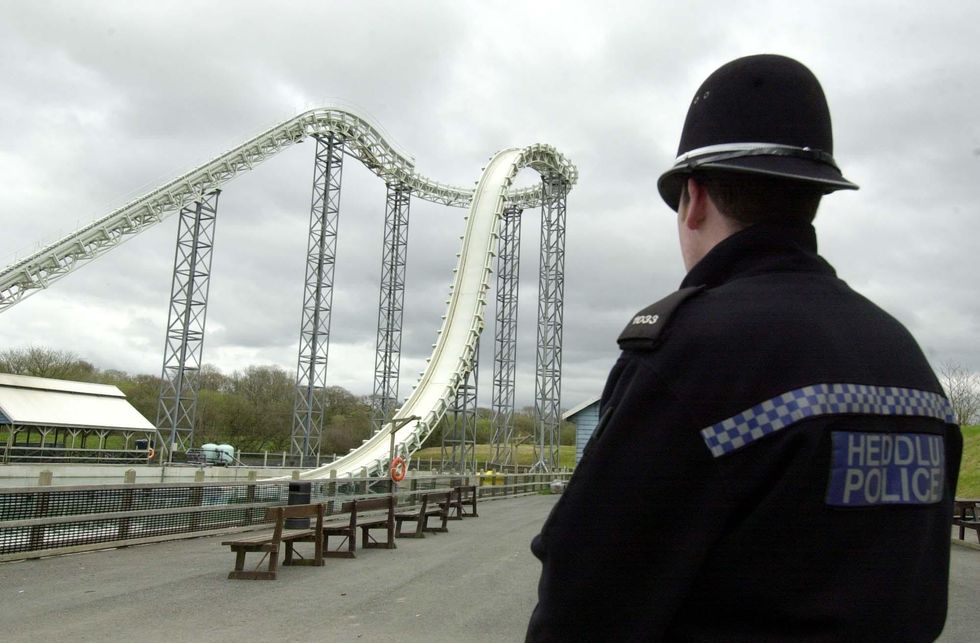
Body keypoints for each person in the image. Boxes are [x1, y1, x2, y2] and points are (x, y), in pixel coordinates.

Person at [526, 54, 963, 642]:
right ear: (813, 198)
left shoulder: (689, 353)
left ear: (695, 199)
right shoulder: (904, 358)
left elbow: (585, 597)